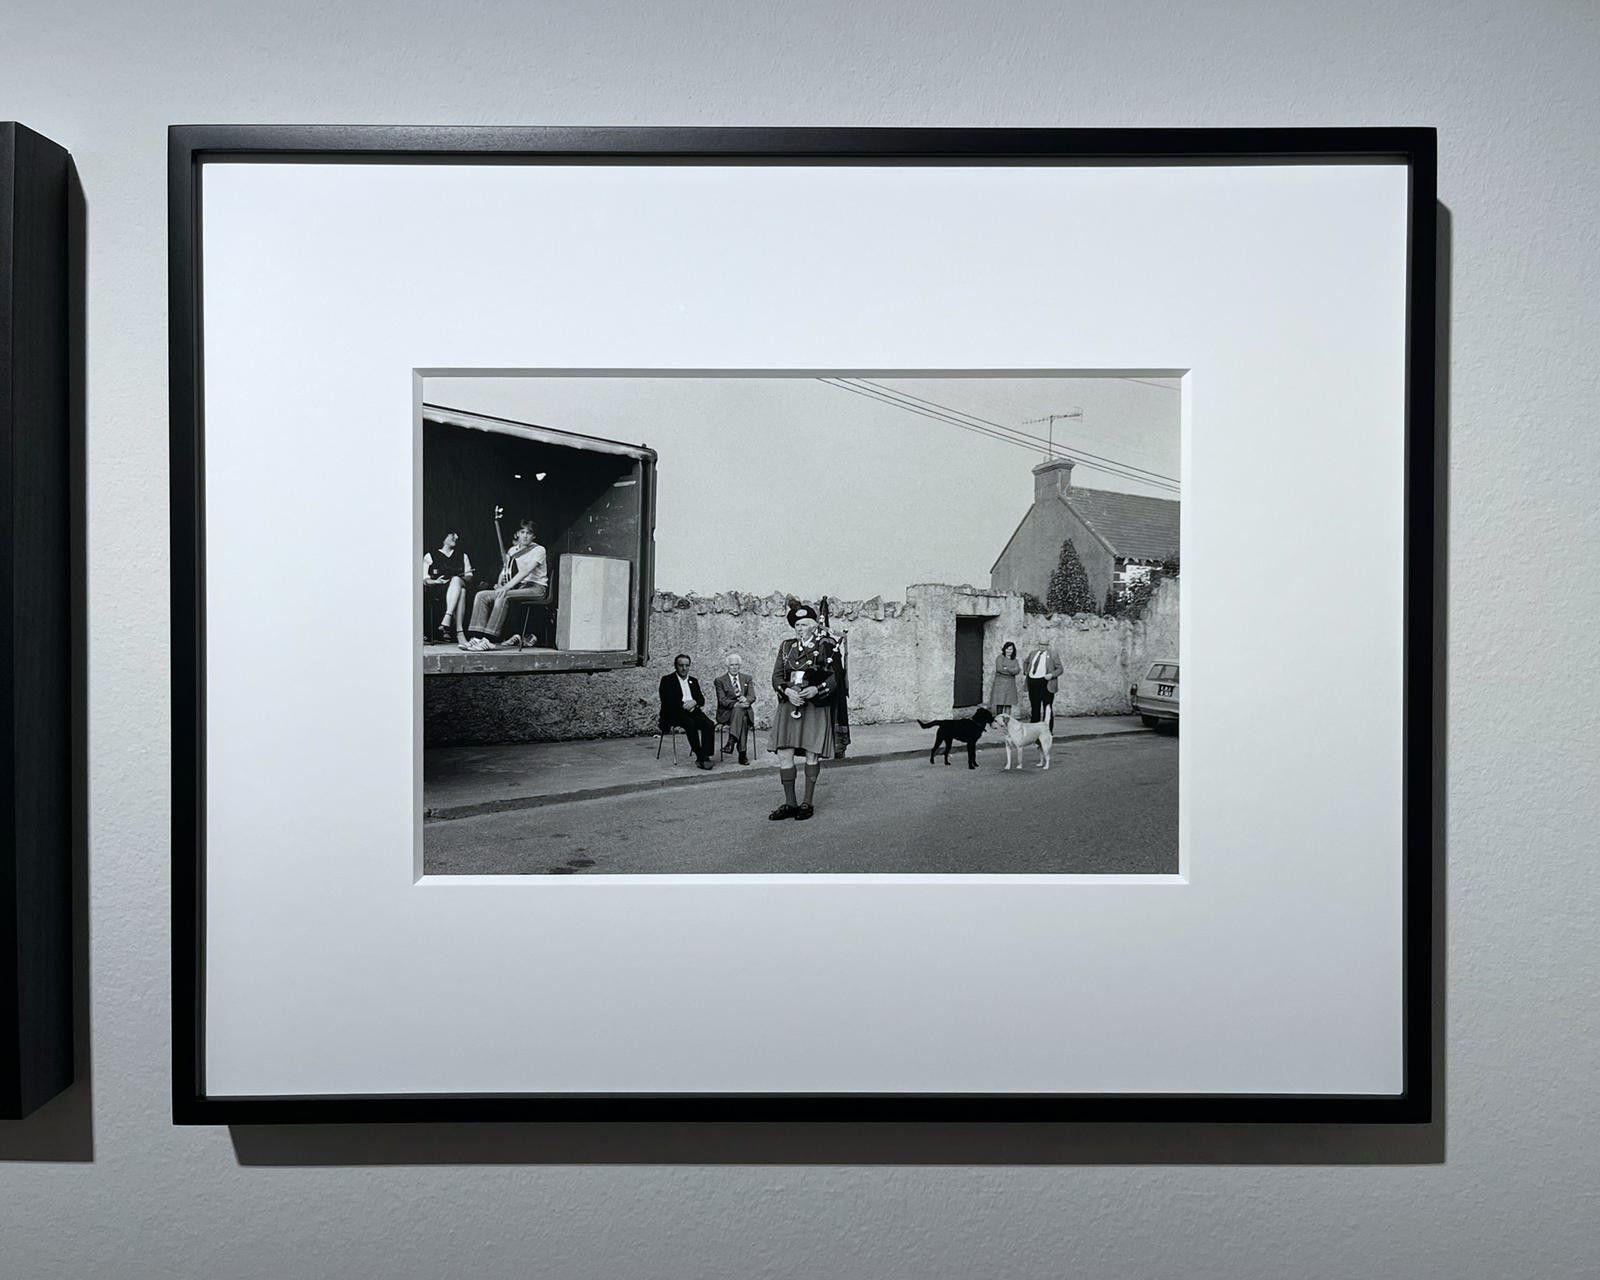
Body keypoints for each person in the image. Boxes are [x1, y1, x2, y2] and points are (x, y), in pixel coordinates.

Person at [767, 603, 840, 821]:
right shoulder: (786, 647)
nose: (800, 628)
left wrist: (816, 689)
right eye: (797, 624)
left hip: (814, 706)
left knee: (811, 752)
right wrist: (787, 691)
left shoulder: (826, 645)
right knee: (784, 753)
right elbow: (777, 676)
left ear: (815, 625)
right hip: (790, 704)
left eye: (805, 624)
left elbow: (835, 678)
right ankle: (790, 803)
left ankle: (807, 802)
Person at [462, 516, 547, 651]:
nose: (525, 536)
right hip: (518, 587)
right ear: (517, 534)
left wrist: (506, 588)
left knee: (504, 595)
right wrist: (499, 584)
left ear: (534, 536)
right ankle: (477, 638)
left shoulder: (539, 550)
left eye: (529, 533)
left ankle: (489, 640)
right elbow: (505, 570)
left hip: (536, 588)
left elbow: (525, 571)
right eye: (522, 532)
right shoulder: (512, 551)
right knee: (481, 595)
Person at [658, 654, 717, 769]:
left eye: (687, 666)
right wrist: (684, 706)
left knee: (709, 724)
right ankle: (700, 757)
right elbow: (666, 701)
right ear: (676, 666)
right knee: (691, 724)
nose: (684, 669)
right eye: (681, 665)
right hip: (675, 712)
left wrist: (694, 702)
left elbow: (701, 699)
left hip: (693, 710)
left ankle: (705, 755)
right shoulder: (667, 680)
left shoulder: (693, 681)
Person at [422, 532, 473, 643]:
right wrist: (436, 581)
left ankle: (447, 617)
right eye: (452, 534)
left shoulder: (463, 556)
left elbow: (469, 576)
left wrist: (460, 576)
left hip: (459, 583)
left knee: (456, 581)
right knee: (462, 592)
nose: (456, 537)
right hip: (439, 590)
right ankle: (460, 632)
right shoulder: (430, 556)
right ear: (443, 537)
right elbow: (425, 580)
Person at [714, 654, 757, 765]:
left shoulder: (747, 678)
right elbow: (722, 700)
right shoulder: (720, 680)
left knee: (742, 716)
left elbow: (752, 696)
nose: (734, 667)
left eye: (736, 665)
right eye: (731, 665)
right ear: (727, 666)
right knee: (742, 717)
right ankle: (742, 754)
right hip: (727, 714)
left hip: (744, 711)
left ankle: (731, 742)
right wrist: (738, 703)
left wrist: (746, 699)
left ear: (740, 666)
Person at [1022, 638, 1064, 726]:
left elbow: (1060, 669)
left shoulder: (1053, 654)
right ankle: (1034, 731)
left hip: (1046, 683)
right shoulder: (1033, 653)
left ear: (1047, 645)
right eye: (1040, 644)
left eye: (1044, 645)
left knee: (1047, 708)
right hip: (1033, 682)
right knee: (1035, 707)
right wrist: (1026, 671)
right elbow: (1025, 662)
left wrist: (1051, 675)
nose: (1042, 646)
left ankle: (1047, 731)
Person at [990, 640, 1021, 715]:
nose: (1009, 651)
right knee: (1000, 703)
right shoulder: (1000, 658)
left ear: (1013, 650)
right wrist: (1011, 670)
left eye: (1011, 649)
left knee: (1008, 704)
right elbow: (999, 669)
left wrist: (1006, 668)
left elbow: (1018, 670)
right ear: (1004, 649)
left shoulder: (1015, 660)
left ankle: (1007, 721)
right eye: (1007, 649)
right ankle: (999, 720)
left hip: (1010, 684)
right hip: (1000, 684)